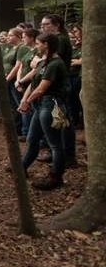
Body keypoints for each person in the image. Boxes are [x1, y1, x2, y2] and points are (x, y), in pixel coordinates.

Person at [17, 33, 70, 190]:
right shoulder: (43, 62)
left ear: (46, 44)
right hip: (41, 106)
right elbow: (34, 85)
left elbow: (41, 89)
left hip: (53, 105)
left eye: (39, 43)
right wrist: (24, 100)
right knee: (32, 139)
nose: (37, 46)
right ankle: (22, 168)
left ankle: (56, 177)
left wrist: (27, 102)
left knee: (55, 144)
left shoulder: (55, 64)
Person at [39, 14, 76, 167]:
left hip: (59, 86)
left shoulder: (60, 40)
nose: (43, 27)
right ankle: (58, 152)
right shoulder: (57, 39)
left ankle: (67, 155)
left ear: (56, 25)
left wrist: (39, 62)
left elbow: (51, 60)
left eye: (46, 24)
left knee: (63, 121)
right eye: (41, 25)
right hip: (56, 84)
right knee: (59, 120)